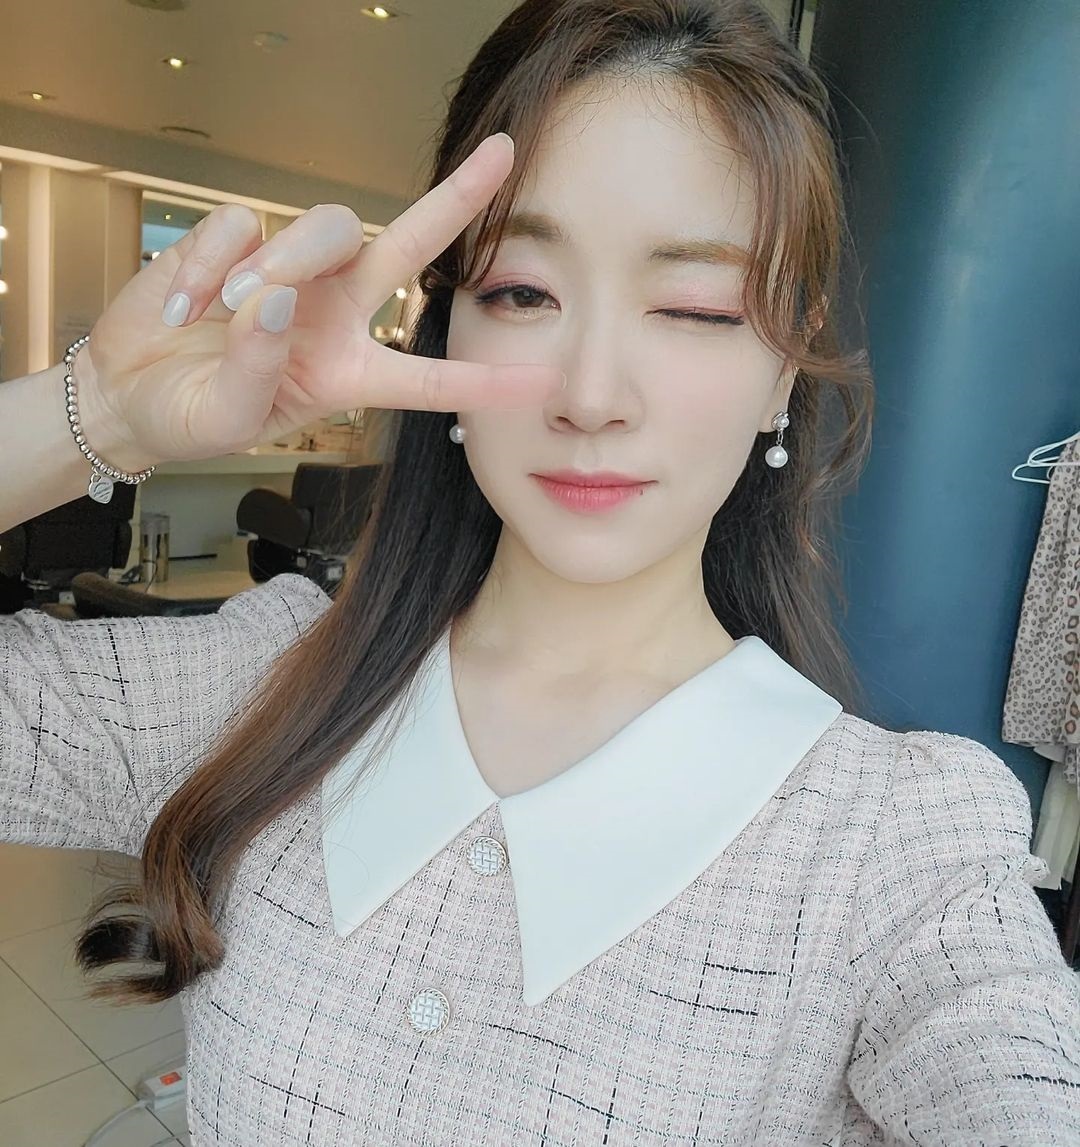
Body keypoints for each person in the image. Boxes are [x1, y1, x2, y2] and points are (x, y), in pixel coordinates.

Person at [2, 0, 1078, 1143]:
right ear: (451, 327)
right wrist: (98, 411)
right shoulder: (268, 683)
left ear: (784, 368)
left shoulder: (892, 849)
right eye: (522, 292)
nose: (592, 394)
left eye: (694, 307)